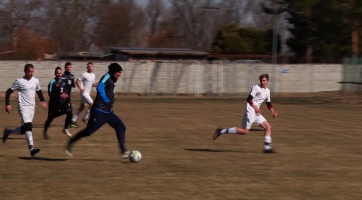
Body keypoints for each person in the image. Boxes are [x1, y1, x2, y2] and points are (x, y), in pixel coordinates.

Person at [65, 63, 129, 158]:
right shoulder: (107, 77)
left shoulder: (112, 79)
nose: (120, 74)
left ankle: (124, 151)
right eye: (119, 72)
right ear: (114, 72)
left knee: (121, 127)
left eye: (121, 72)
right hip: (99, 111)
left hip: (108, 112)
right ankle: (71, 141)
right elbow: (100, 87)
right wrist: (105, 99)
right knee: (88, 132)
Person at [213, 74, 278, 153]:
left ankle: (267, 148)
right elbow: (249, 99)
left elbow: (268, 103)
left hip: (256, 111)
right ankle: (221, 131)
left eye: (264, 80)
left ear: (268, 81)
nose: (262, 82)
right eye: (261, 80)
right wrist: (256, 108)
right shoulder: (256, 88)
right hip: (251, 109)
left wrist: (273, 112)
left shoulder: (267, 91)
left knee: (268, 127)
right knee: (245, 131)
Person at [3, 64, 47, 156]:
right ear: (25, 71)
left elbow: (38, 90)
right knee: (29, 126)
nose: (31, 73)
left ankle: (9, 132)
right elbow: (8, 92)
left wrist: (42, 100)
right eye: (29, 71)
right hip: (23, 107)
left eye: (32, 71)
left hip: (32, 108)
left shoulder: (35, 81)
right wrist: (7, 104)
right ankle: (31, 148)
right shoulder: (19, 81)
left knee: (24, 130)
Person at [43, 67, 73, 139]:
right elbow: (50, 94)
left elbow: (65, 89)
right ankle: (45, 131)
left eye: (60, 73)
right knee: (50, 118)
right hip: (54, 104)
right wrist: (60, 95)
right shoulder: (52, 82)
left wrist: (65, 95)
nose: (59, 75)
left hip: (62, 102)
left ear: (62, 73)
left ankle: (65, 128)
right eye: (57, 73)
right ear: (55, 74)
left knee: (69, 113)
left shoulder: (64, 80)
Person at [70, 62, 98, 127]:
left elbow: (92, 84)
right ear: (87, 67)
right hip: (84, 93)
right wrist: (80, 88)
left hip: (87, 93)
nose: (90, 67)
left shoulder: (93, 75)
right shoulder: (84, 74)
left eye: (91, 66)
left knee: (81, 107)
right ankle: (85, 118)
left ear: (93, 67)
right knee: (92, 104)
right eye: (88, 66)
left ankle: (73, 121)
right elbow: (77, 80)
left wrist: (97, 84)